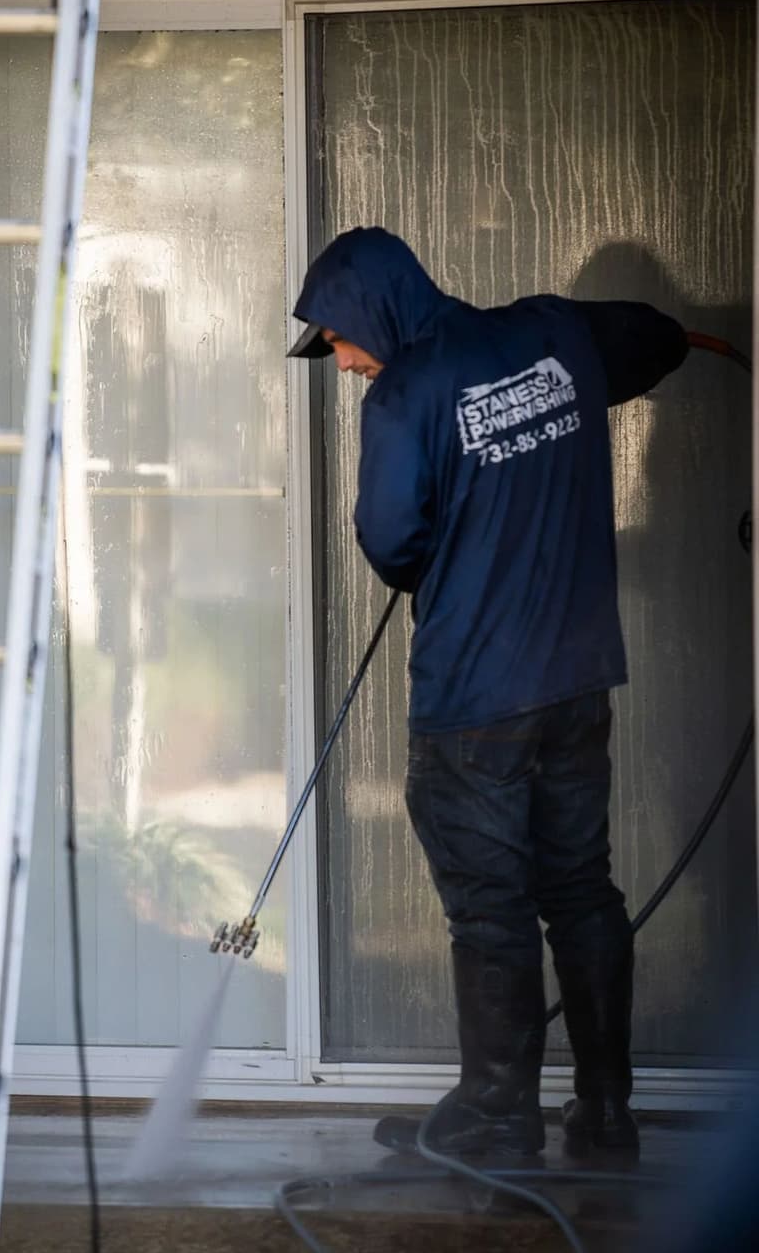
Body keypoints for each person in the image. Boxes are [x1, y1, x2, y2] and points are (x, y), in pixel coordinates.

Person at [289, 226, 689, 1161]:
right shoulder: (553, 334)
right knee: (582, 890)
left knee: (492, 909)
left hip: (475, 700)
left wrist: (447, 539)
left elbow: (391, 544)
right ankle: (604, 1113)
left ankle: (500, 1119)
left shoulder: (404, 395)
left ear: (371, 309)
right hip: (578, 682)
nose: (342, 362)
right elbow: (656, 337)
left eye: (337, 338)